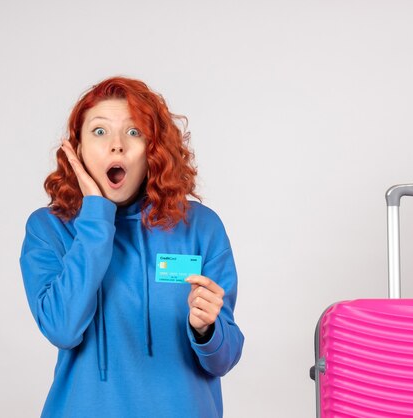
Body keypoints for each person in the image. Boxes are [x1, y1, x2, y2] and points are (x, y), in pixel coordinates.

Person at [19, 76, 244, 418]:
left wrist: (207, 329)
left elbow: (224, 359)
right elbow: (62, 328)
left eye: (134, 131)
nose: (117, 146)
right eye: (99, 131)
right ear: (76, 149)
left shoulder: (199, 226)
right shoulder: (49, 228)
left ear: (153, 149)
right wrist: (95, 216)